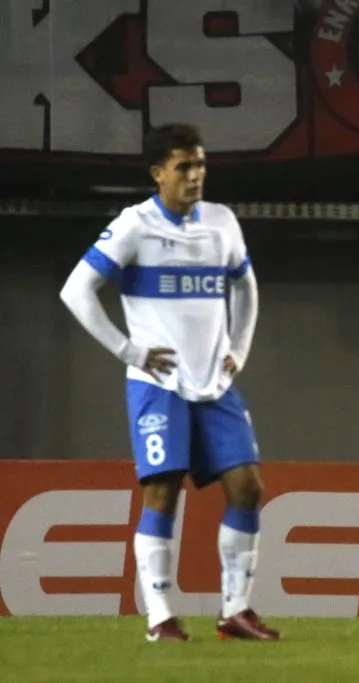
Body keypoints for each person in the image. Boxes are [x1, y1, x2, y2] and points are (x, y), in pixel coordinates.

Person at [58, 124, 278, 641]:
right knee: (163, 492)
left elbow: (246, 286)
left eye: (200, 164)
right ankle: (160, 618)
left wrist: (238, 350)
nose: (195, 175)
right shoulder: (134, 225)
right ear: (158, 173)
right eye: (184, 166)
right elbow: (76, 289)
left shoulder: (221, 222)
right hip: (158, 384)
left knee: (248, 488)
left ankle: (235, 612)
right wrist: (128, 350)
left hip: (215, 383)